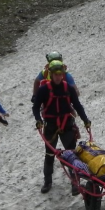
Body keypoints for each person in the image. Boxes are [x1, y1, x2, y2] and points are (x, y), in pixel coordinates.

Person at [32, 59, 91, 194]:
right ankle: (47, 181)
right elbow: (35, 107)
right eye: (56, 74)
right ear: (51, 74)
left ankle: (75, 183)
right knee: (49, 154)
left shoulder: (68, 89)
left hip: (67, 125)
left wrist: (85, 120)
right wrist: (38, 119)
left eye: (60, 74)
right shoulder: (43, 90)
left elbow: (77, 105)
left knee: (71, 154)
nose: (58, 77)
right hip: (50, 126)